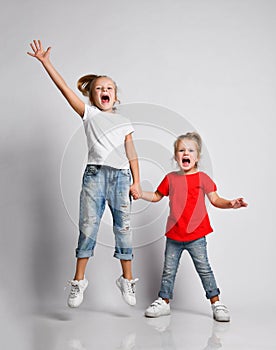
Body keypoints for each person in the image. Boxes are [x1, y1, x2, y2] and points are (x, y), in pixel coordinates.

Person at [27, 40, 141, 308]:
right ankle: (79, 282)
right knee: (88, 227)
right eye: (99, 88)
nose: (104, 90)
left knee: (123, 228)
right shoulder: (89, 114)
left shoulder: (124, 121)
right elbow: (64, 89)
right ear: (92, 95)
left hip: (121, 177)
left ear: (115, 95)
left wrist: (136, 182)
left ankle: (127, 279)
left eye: (109, 87)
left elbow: (132, 153)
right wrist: (46, 63)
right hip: (95, 177)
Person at [133, 132, 247, 321]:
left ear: (197, 156)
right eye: (181, 150)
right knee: (169, 270)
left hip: (196, 236)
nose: (186, 153)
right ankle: (164, 301)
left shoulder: (203, 178)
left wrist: (231, 204)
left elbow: (216, 199)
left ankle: (216, 303)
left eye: (190, 150)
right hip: (174, 236)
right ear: (176, 155)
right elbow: (156, 196)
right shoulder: (170, 178)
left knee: (204, 269)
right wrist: (140, 193)